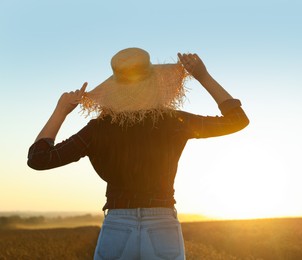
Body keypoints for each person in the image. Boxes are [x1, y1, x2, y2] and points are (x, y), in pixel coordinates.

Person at [27, 48, 249, 260]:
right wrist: (203, 76)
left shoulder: (98, 129)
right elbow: (237, 120)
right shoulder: (173, 121)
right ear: (154, 84)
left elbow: (39, 159)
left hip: (117, 223)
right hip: (162, 222)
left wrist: (61, 110)